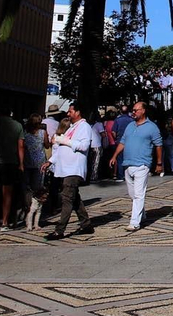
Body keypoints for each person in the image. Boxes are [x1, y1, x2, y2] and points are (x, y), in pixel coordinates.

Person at [108, 100, 162, 231]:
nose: (133, 112)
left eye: (136, 110)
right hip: (127, 163)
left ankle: (134, 222)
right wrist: (114, 156)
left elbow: (158, 145)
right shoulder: (130, 126)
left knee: (138, 194)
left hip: (142, 164)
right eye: (133, 110)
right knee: (132, 194)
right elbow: (123, 142)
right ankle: (141, 214)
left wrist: (159, 163)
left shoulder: (152, 127)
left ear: (143, 111)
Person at [46, 103, 96, 240]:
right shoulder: (72, 128)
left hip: (74, 168)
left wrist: (66, 141)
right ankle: (86, 225)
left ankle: (60, 230)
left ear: (78, 112)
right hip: (65, 168)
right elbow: (61, 147)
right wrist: (50, 161)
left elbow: (84, 145)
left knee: (66, 198)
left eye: (70, 111)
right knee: (74, 198)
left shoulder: (84, 127)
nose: (68, 114)